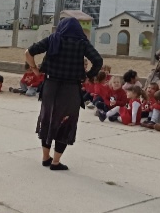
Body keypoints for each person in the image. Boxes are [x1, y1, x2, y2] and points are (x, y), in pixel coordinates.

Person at [25, 17, 103, 171]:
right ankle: (55, 162)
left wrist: (35, 69)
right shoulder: (82, 42)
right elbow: (98, 61)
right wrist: (88, 75)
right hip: (71, 89)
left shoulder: (53, 39)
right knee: (66, 122)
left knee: (47, 118)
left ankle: (45, 157)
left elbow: (28, 52)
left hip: (50, 86)